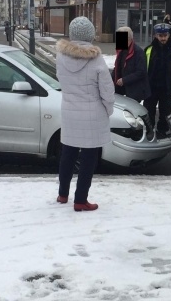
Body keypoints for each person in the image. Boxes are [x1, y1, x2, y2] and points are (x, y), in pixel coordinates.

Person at [54, 16, 115, 212]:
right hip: (92, 114)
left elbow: (61, 81)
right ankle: (80, 199)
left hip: (69, 112)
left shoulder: (61, 57)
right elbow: (107, 90)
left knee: (68, 154)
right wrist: (108, 109)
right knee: (89, 157)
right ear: (90, 35)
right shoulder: (96, 59)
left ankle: (63, 194)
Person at [144, 22, 171, 139]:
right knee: (149, 112)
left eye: (165, 35)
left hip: (167, 89)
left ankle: (162, 132)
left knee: (165, 113)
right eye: (160, 35)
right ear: (156, 36)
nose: (163, 38)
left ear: (169, 35)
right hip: (151, 88)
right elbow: (143, 69)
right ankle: (149, 132)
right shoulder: (149, 50)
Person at [113, 26, 150, 103]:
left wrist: (124, 80)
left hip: (134, 90)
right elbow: (118, 67)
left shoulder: (138, 52)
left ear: (128, 39)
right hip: (120, 89)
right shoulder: (121, 50)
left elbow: (141, 72)